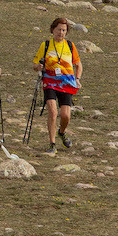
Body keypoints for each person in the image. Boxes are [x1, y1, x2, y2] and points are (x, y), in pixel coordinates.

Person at [32, 17, 83, 154]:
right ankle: (52, 144)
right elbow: (35, 65)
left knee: (65, 116)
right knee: (53, 112)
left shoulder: (70, 46)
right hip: (50, 82)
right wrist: (38, 67)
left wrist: (77, 79)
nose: (61, 32)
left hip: (66, 84)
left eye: (64, 30)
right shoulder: (46, 45)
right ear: (53, 30)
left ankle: (62, 132)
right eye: (59, 29)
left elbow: (78, 65)